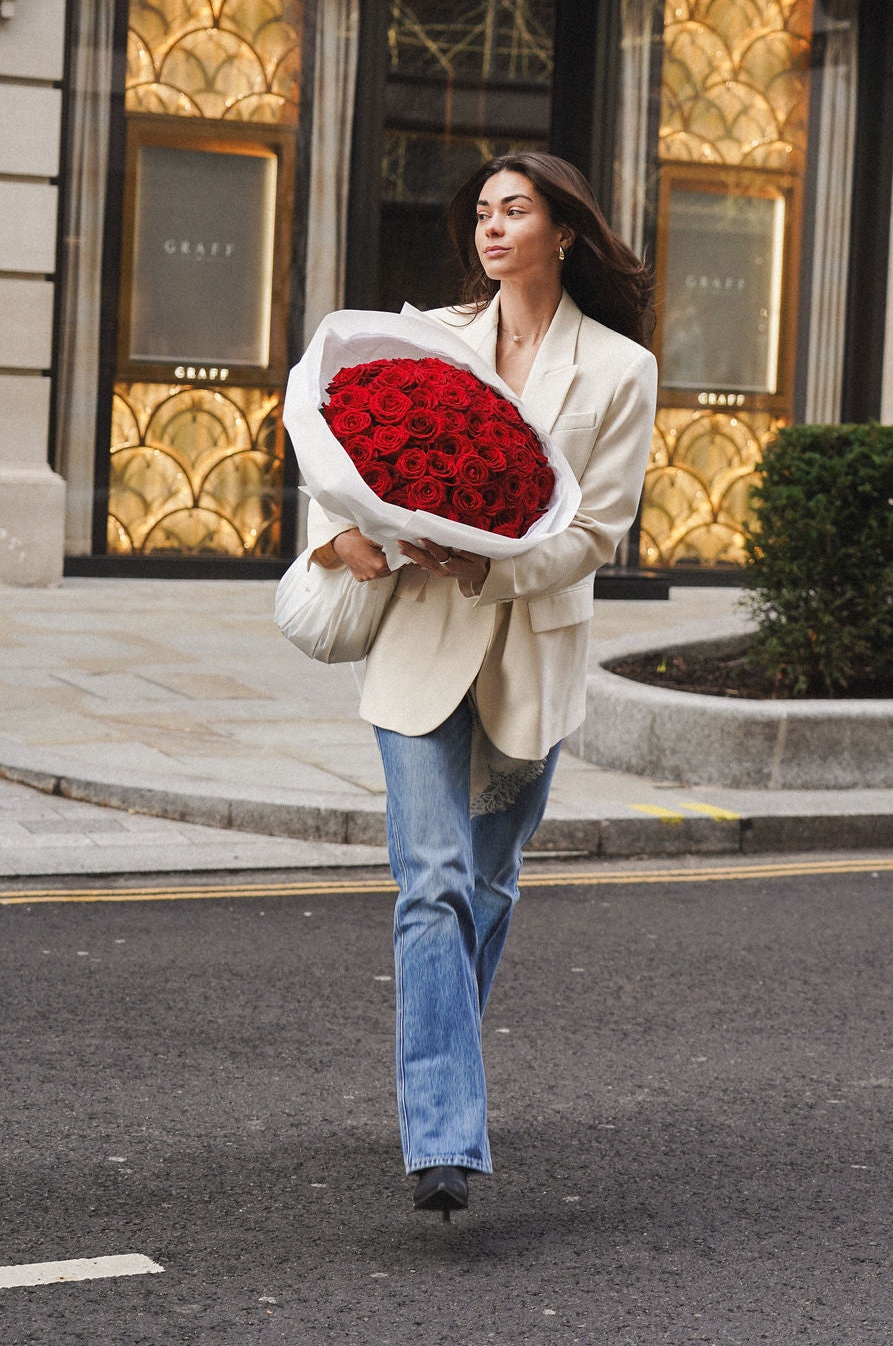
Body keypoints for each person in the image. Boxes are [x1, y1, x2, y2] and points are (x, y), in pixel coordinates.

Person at [307, 152, 658, 1218]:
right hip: (417, 640)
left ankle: (440, 1067)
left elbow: (597, 531)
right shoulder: (428, 337)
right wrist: (341, 537)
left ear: (565, 233)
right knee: (430, 881)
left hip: (527, 653)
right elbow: (347, 452)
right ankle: (444, 1135)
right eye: (484, 213)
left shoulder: (617, 371)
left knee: (486, 889)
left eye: (516, 211)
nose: (493, 228)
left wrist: (494, 560)